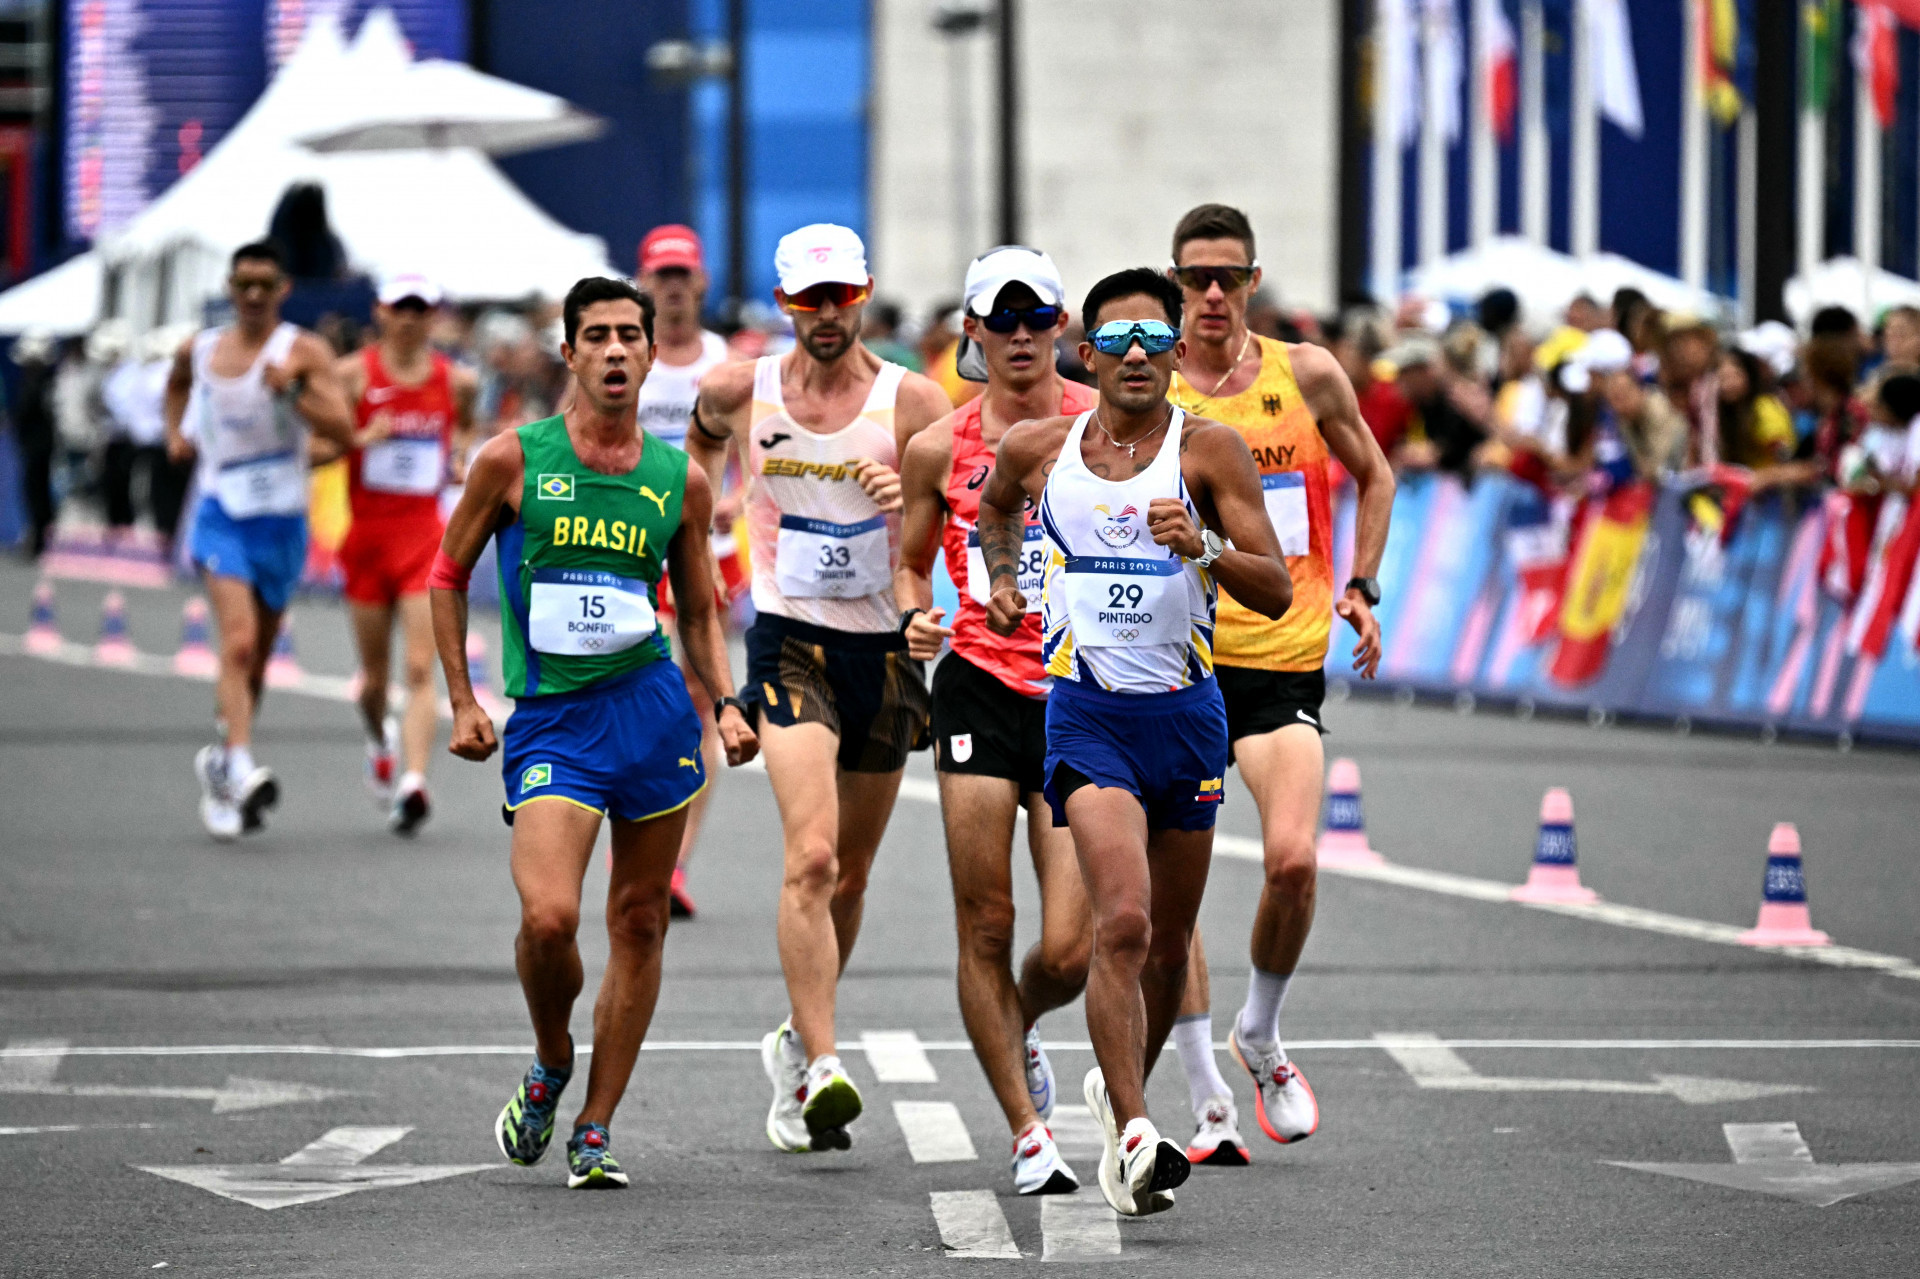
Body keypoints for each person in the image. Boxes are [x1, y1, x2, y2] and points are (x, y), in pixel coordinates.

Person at [977, 267, 1292, 1216]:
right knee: (1120, 921)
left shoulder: (1211, 453)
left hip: (1189, 719)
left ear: (1175, 351)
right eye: (1119, 341)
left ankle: (1124, 1102)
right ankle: (1134, 1126)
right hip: (1088, 715)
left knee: (1165, 945)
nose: (1139, 357)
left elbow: (1274, 586)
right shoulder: (1040, 446)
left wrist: (1201, 546)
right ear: (1089, 353)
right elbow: (995, 509)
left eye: (1156, 340)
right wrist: (1002, 580)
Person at [430, 276, 757, 1189]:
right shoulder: (512, 459)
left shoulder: (676, 479)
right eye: (597, 336)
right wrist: (464, 699)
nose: (615, 350)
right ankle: (549, 1059)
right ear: (568, 353)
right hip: (553, 723)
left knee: (641, 920)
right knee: (549, 918)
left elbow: (698, 608)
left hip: (651, 712)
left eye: (630, 337)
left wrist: (725, 700)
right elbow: (447, 575)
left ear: (652, 356)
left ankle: (596, 1126)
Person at [687, 224, 951, 1153]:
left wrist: (906, 501)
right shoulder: (740, 388)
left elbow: (955, 521)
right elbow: (701, 444)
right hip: (789, 640)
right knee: (811, 856)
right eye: (808, 300)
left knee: (853, 872)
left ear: (866, 294)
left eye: (840, 298)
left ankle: (796, 1047)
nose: (826, 316)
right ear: (784, 303)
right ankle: (831, 1063)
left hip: (883, 653)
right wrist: (710, 503)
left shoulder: (913, 401)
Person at [1161, 204, 1394, 1163]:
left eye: (1230, 277)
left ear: (1254, 281)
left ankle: (1259, 1031)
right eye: (1196, 278)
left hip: (1280, 659)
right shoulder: (1145, 380)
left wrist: (1362, 585)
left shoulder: (1307, 374)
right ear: (1175, 283)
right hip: (1169, 665)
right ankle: (1203, 1086)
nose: (1213, 294)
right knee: (1167, 900)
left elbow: (1375, 476)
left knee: (1293, 860)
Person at [895, 246, 1096, 1194]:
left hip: (1079, 696)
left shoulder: (1110, 428)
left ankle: (1017, 1019)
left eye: (1036, 316)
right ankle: (1026, 1128)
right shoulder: (938, 446)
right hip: (976, 683)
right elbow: (908, 562)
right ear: (971, 332)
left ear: (1062, 325)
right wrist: (913, 612)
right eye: (1000, 319)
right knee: (986, 918)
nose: (1020, 335)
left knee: (1070, 945)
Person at [164, 240, 355, 841]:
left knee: (260, 659)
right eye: (243, 283)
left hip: (283, 520)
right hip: (221, 513)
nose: (252, 295)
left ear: (283, 290)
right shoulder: (199, 350)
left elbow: (344, 431)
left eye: (264, 285)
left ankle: (224, 760)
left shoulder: (303, 350)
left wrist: (294, 392)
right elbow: (174, 385)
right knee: (239, 644)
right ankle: (241, 763)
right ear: (229, 287)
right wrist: (175, 434)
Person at [334, 274, 478, 834]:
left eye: (421, 309)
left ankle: (415, 782)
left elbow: (467, 429)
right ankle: (378, 738)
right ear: (380, 312)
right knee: (374, 680)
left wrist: (462, 456)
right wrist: (360, 439)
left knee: (421, 667)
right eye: (401, 309)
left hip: (424, 540)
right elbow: (318, 445)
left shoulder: (456, 380)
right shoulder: (351, 376)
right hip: (367, 540)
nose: (411, 319)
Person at [634, 225, 739, 918]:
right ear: (645, 284)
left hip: (708, 550)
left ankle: (673, 864)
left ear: (701, 283)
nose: (673, 288)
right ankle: (636, 835)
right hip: (633, 547)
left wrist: (738, 498)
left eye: (683, 275)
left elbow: (764, 448)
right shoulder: (621, 354)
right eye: (661, 276)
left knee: (703, 702)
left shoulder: (728, 364)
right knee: (641, 697)